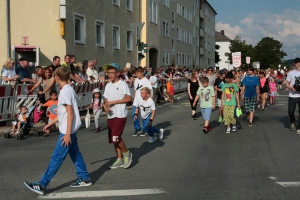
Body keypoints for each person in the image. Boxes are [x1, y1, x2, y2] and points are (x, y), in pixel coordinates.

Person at [24, 67, 92, 195]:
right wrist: (51, 123)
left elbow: (70, 114)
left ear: (57, 78)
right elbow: (64, 113)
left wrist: (67, 134)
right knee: (75, 153)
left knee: (57, 157)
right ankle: (84, 177)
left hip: (67, 130)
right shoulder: (68, 89)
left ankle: (42, 184)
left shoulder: (65, 92)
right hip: (69, 129)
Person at [103, 63, 133, 169]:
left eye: (112, 72)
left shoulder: (122, 84)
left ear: (118, 73)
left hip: (120, 114)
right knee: (113, 139)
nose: (110, 75)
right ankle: (119, 159)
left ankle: (127, 153)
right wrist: (106, 107)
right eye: (108, 72)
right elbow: (106, 100)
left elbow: (129, 98)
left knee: (116, 137)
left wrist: (115, 102)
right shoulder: (107, 85)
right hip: (111, 114)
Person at [132, 67, 152, 136]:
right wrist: (134, 100)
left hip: (143, 101)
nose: (137, 75)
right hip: (136, 101)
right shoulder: (136, 80)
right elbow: (136, 91)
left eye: (138, 73)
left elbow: (150, 90)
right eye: (136, 73)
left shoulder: (146, 80)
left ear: (142, 73)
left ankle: (145, 129)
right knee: (134, 114)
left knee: (144, 116)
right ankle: (137, 129)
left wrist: (149, 100)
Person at [286, 58, 300, 133]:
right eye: (294, 62)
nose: (295, 64)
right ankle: (293, 121)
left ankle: (299, 126)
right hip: (292, 95)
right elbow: (287, 83)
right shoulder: (291, 73)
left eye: (297, 62)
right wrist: (291, 87)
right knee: (290, 111)